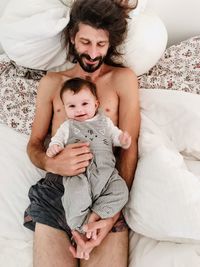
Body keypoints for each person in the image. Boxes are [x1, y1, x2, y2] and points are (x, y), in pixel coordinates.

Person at [24, 0, 140, 266]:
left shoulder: (123, 79)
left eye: (101, 44)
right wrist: (51, 162)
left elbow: (129, 148)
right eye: (85, 42)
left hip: (105, 188)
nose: (92, 53)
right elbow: (34, 145)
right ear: (72, 38)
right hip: (58, 191)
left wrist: (111, 213)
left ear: (110, 43)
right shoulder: (52, 82)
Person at [46, 77, 131, 236]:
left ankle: (96, 215)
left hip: (107, 174)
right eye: (72, 106)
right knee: (76, 194)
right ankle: (79, 225)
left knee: (121, 191)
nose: (79, 110)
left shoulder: (105, 122)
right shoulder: (68, 126)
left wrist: (123, 140)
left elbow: (115, 136)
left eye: (84, 104)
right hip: (80, 174)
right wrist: (54, 148)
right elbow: (56, 140)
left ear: (96, 104)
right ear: (65, 109)